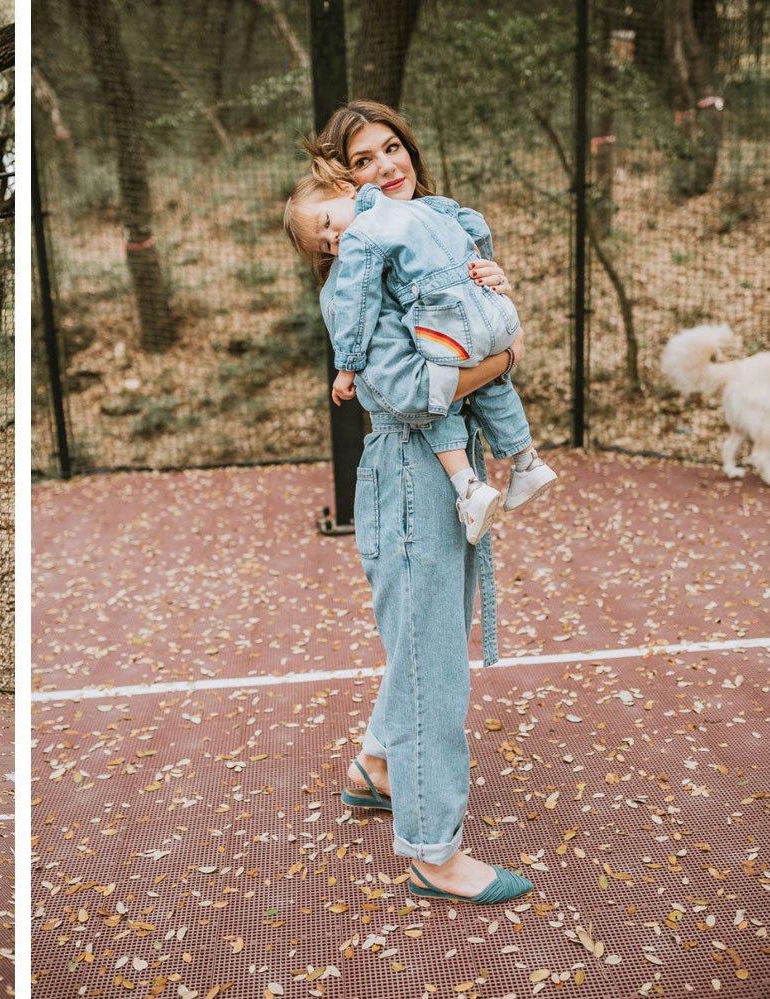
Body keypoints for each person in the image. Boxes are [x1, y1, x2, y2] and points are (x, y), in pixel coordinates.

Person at [298, 100, 538, 905]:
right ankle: (435, 852)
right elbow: (404, 389)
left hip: (441, 471)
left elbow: (464, 325)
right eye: (361, 161)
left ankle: (376, 764)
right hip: (408, 475)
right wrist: (500, 350)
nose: (384, 166)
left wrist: (491, 286)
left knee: (426, 633)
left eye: (390, 148)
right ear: (342, 184)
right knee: (435, 659)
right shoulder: (357, 274)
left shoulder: (421, 243)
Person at [284, 168, 558, 544]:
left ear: (345, 188)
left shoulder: (363, 235)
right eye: (327, 246)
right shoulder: (420, 209)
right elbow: (470, 221)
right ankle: (528, 461)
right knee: (486, 383)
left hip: (447, 323)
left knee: (434, 391)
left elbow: (357, 305)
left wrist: (346, 365)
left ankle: (468, 487)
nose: (334, 239)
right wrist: (482, 273)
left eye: (328, 223)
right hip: (491, 311)